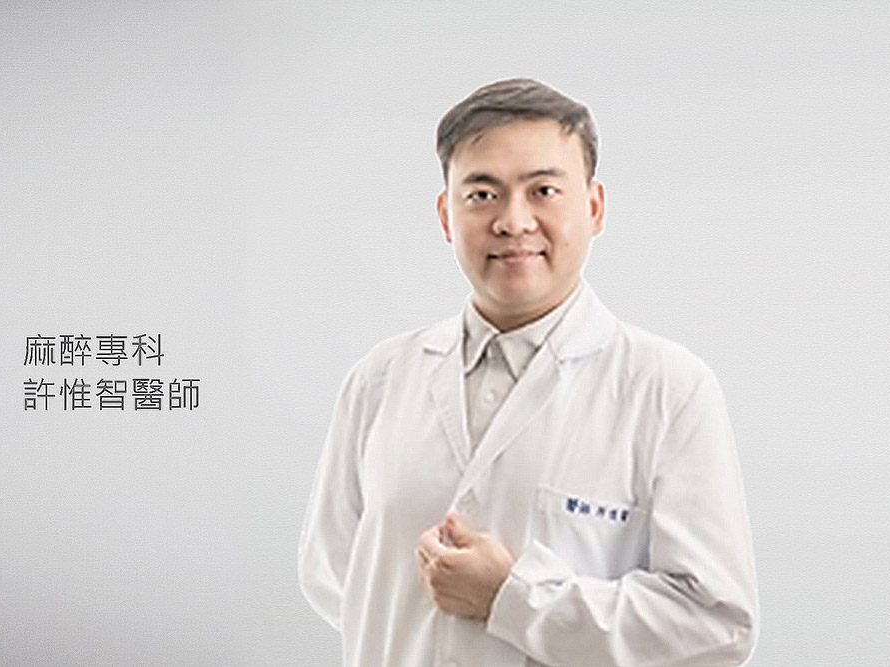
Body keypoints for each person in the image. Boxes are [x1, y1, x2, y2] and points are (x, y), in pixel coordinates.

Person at [298, 78, 758, 667]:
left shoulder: (668, 389)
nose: (514, 221)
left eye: (543, 190)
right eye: (482, 194)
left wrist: (515, 601)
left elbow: (715, 625)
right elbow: (339, 577)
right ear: (446, 215)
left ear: (593, 208)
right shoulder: (381, 380)